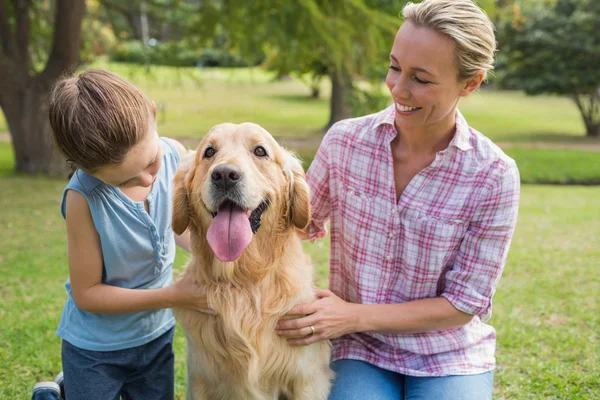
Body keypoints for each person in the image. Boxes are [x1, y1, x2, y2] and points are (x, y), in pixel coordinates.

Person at [276, 0, 521, 399]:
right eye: (394, 67)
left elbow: (461, 304)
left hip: (447, 352)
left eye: (421, 79)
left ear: (470, 83)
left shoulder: (494, 175)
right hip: (359, 346)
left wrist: (351, 314)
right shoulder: (345, 142)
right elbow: (293, 225)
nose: (398, 89)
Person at [32, 69, 209, 400]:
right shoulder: (82, 199)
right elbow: (88, 294)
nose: (145, 180)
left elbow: (178, 231)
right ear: (88, 171)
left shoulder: (174, 155)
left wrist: (216, 251)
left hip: (156, 337)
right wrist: (174, 295)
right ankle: (64, 390)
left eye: (150, 162)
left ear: (153, 114)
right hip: (97, 351)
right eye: (125, 180)